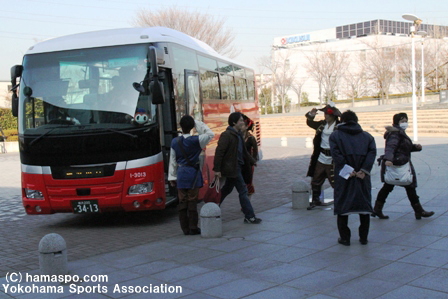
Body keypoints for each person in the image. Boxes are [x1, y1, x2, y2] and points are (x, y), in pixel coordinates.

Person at [373, 112, 434, 220]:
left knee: (392, 187)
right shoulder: (395, 133)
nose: (405, 123)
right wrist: (388, 159)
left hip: (399, 163)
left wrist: (415, 147)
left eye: (406, 121)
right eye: (402, 121)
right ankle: (419, 211)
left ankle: (377, 209)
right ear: (397, 122)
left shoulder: (399, 132)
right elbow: (391, 147)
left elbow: (403, 147)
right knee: (405, 186)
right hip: (397, 164)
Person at [330, 110, 377, 246]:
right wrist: (364, 170)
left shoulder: (335, 136)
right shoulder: (368, 137)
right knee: (364, 207)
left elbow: (336, 155)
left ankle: (345, 238)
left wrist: (347, 169)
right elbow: (371, 153)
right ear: (356, 121)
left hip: (344, 176)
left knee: (343, 206)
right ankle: (363, 238)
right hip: (362, 176)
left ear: (342, 121)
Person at [168, 115, 214, 235]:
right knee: (192, 200)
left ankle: (185, 228)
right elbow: (210, 134)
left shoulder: (175, 141)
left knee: (182, 201)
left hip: (181, 173)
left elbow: (172, 161)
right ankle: (193, 226)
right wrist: (197, 123)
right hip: (193, 174)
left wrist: (172, 177)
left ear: (180, 126)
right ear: (192, 126)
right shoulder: (196, 140)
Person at [214, 112, 262, 224]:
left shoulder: (238, 135)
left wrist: (252, 161)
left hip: (237, 167)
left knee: (227, 189)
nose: (243, 122)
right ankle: (250, 216)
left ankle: (214, 206)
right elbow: (219, 152)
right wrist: (217, 169)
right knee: (243, 190)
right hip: (232, 168)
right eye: (240, 120)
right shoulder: (227, 135)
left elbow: (244, 152)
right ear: (234, 122)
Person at [305, 102, 341, 210]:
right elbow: (310, 123)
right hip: (321, 156)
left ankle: (340, 202)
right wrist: (311, 114)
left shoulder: (340, 126)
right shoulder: (322, 124)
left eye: (328, 114)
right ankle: (316, 200)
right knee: (316, 179)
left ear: (333, 115)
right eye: (325, 114)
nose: (325, 116)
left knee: (335, 181)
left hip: (333, 158)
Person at [241, 114, 258, 199]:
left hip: (248, 164)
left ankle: (247, 201)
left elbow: (255, 151)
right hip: (240, 163)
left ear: (247, 126)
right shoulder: (238, 136)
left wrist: (253, 161)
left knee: (248, 183)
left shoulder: (251, 138)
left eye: (243, 124)